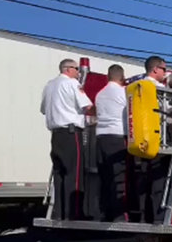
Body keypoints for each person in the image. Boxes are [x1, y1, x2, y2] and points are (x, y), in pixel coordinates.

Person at [40, 58, 93, 220]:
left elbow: (43, 110)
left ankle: (60, 214)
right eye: (77, 69)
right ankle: (74, 214)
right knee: (74, 174)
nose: (78, 73)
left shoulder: (49, 86)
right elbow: (87, 106)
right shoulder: (72, 84)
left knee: (60, 175)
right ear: (68, 69)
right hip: (71, 133)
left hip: (56, 135)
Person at [139, 56, 172, 224]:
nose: (165, 72)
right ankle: (159, 217)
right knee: (160, 178)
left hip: (142, 137)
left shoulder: (139, 86)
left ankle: (144, 216)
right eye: (163, 69)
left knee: (145, 177)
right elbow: (170, 108)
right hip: (160, 135)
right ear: (155, 69)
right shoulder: (158, 88)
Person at [95, 64, 129, 222]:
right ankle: (118, 215)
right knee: (119, 177)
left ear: (108, 77)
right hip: (116, 136)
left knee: (105, 177)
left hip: (101, 137)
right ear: (122, 78)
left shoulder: (100, 94)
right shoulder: (123, 93)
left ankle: (105, 213)